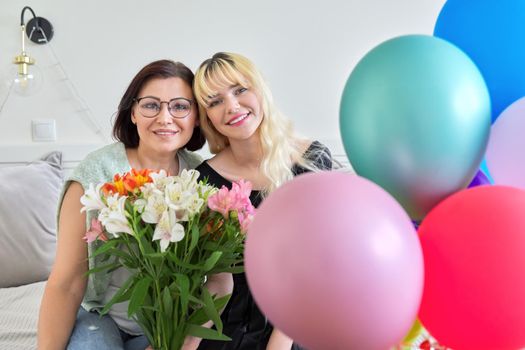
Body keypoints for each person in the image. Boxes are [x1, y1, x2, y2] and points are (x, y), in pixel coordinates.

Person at [37, 59, 224, 350]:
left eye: (180, 106)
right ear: (133, 113)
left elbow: (217, 281)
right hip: (101, 316)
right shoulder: (94, 175)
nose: (165, 118)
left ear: (196, 117)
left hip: (169, 323)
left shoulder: (203, 178)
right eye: (151, 105)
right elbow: (67, 282)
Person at [192, 52, 332, 350]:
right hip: (231, 327)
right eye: (215, 101)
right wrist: (186, 344)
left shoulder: (312, 159)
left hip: (299, 322)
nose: (232, 106)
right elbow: (218, 282)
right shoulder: (203, 179)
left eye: (240, 90)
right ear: (207, 118)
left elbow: (317, 268)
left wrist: (279, 342)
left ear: (260, 90)